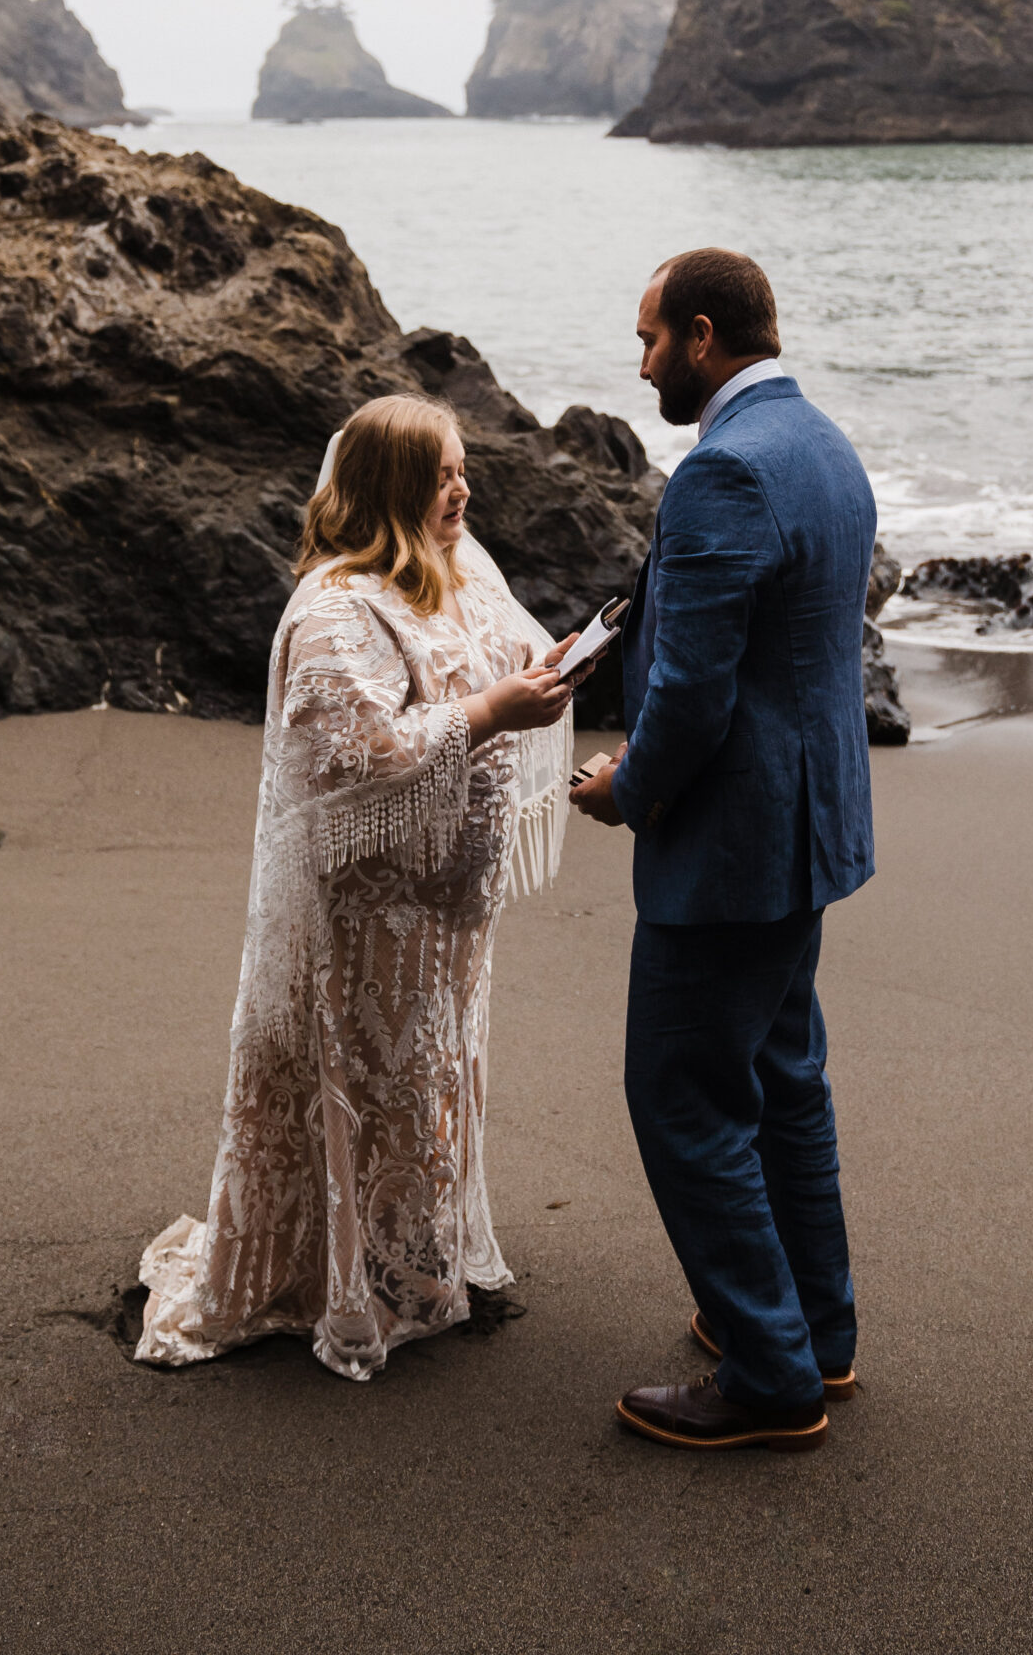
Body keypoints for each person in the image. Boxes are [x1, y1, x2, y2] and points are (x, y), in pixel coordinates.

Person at [136, 394, 577, 1382]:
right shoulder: (337, 607)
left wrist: (545, 672)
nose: (463, 488)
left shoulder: (461, 571)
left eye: (465, 469)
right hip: (369, 915)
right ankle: (346, 1282)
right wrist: (493, 709)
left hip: (447, 917)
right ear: (391, 487)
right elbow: (355, 752)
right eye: (442, 474)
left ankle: (416, 1267)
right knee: (376, 1085)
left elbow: (510, 651)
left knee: (430, 1085)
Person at [571, 249, 876, 1453]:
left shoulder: (724, 474)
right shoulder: (825, 445)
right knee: (784, 1079)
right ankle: (818, 1330)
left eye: (649, 339)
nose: (641, 362)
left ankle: (768, 1373)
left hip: (733, 847)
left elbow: (694, 695)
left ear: (703, 336)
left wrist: (625, 789)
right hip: (806, 832)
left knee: (684, 1098)